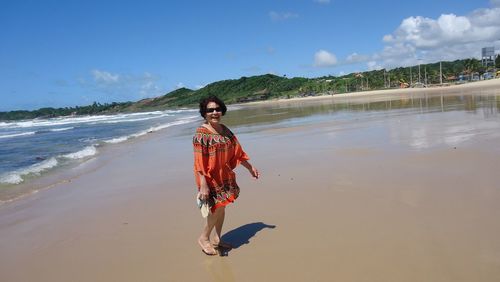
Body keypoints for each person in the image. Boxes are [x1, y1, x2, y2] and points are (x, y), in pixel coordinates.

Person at [193, 95, 260, 255]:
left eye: (217, 109)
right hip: (209, 178)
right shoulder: (201, 134)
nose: (215, 112)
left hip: (224, 175)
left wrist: (250, 167)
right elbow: (199, 162)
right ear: (204, 113)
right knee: (216, 209)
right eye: (210, 110)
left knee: (222, 208)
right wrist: (203, 185)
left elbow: (237, 152)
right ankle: (204, 238)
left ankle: (217, 239)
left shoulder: (226, 131)